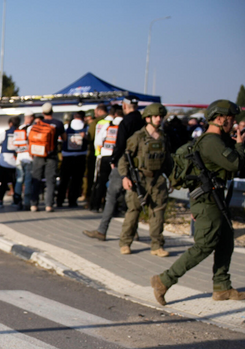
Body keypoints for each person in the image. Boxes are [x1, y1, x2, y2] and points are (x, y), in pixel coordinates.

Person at [152, 99, 245, 305]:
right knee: (205, 245)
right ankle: (164, 280)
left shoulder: (217, 140)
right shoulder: (211, 142)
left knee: (225, 241)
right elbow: (236, 163)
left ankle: (222, 287)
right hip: (208, 201)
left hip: (214, 199)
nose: (233, 122)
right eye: (230, 119)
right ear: (220, 118)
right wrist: (240, 145)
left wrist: (234, 142)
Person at [84, 96, 145, 241]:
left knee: (111, 196)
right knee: (132, 199)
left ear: (125, 106)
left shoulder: (126, 122)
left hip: (123, 163)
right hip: (140, 165)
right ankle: (133, 231)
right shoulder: (142, 121)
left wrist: (114, 160)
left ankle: (102, 230)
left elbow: (120, 144)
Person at [117, 103, 171, 257]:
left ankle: (157, 245)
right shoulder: (137, 137)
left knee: (158, 214)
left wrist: (172, 179)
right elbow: (124, 159)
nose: (159, 119)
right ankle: (125, 242)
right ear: (148, 118)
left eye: (161, 116)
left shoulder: (163, 138)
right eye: (156, 116)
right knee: (133, 212)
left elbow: (168, 161)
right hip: (139, 179)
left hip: (158, 180)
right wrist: (125, 177)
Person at [28, 103, 65, 212]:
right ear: (52, 111)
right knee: (50, 181)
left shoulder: (38, 123)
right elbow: (64, 138)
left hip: (38, 155)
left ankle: (34, 204)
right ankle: (49, 205)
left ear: (43, 112)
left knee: (36, 180)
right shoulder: (58, 124)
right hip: (51, 155)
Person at [58, 110, 89, 208]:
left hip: (68, 157)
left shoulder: (66, 127)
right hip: (79, 157)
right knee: (76, 180)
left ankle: (60, 200)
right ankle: (72, 200)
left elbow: (60, 140)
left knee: (65, 180)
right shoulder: (85, 127)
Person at [0, 116, 19, 208]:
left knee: (3, 183)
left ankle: (0, 201)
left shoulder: (5, 133)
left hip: (4, 163)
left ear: (10, 124)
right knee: (15, 182)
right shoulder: (20, 133)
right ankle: (16, 201)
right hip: (15, 161)